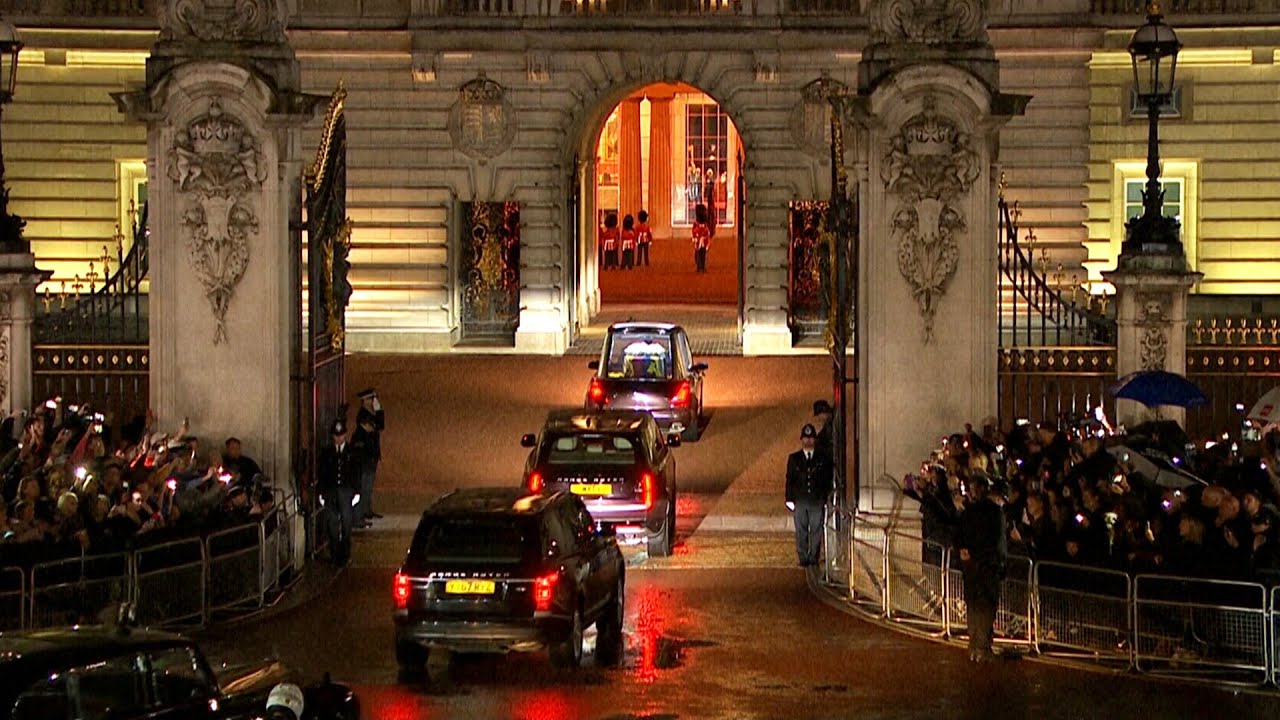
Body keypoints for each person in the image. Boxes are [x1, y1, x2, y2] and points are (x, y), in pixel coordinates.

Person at [957, 474, 1007, 662]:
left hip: (972, 566)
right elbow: (997, 541)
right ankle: (982, 647)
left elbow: (959, 535)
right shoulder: (995, 512)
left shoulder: (968, 512)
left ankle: (974, 646)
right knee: (985, 606)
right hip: (987, 566)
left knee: (974, 605)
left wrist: (964, 551)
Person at [785, 424, 833, 567]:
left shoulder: (822, 459)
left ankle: (813, 557)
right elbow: (790, 479)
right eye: (806, 439)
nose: (808, 442)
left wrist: (825, 496)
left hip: (816, 500)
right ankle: (803, 557)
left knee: (816, 530)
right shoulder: (794, 458)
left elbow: (826, 479)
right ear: (802, 440)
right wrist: (789, 498)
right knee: (801, 531)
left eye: (811, 439)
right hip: (800, 499)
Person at [317, 419, 361, 565]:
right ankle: (335, 554)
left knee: (346, 523)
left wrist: (356, 491)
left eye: (341, 435)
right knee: (332, 524)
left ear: (345, 435)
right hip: (331, 491)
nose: (338, 438)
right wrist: (321, 492)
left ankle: (345, 553)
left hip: (346, 491)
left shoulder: (351, 452)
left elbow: (356, 472)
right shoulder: (327, 452)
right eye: (336, 435)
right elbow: (322, 473)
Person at [353, 388, 386, 524]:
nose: (373, 401)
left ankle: (366, 510)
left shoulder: (369, 414)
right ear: (365, 401)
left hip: (371, 456)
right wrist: (379, 412)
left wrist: (379, 411)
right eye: (371, 399)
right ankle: (359, 516)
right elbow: (377, 427)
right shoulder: (363, 416)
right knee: (364, 487)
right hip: (364, 458)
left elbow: (380, 426)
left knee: (369, 485)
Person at [692, 203, 711, 273]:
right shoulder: (700, 224)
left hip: (702, 240)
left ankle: (701, 267)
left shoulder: (701, 224)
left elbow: (706, 233)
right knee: (700, 254)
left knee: (700, 254)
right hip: (700, 240)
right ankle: (700, 267)